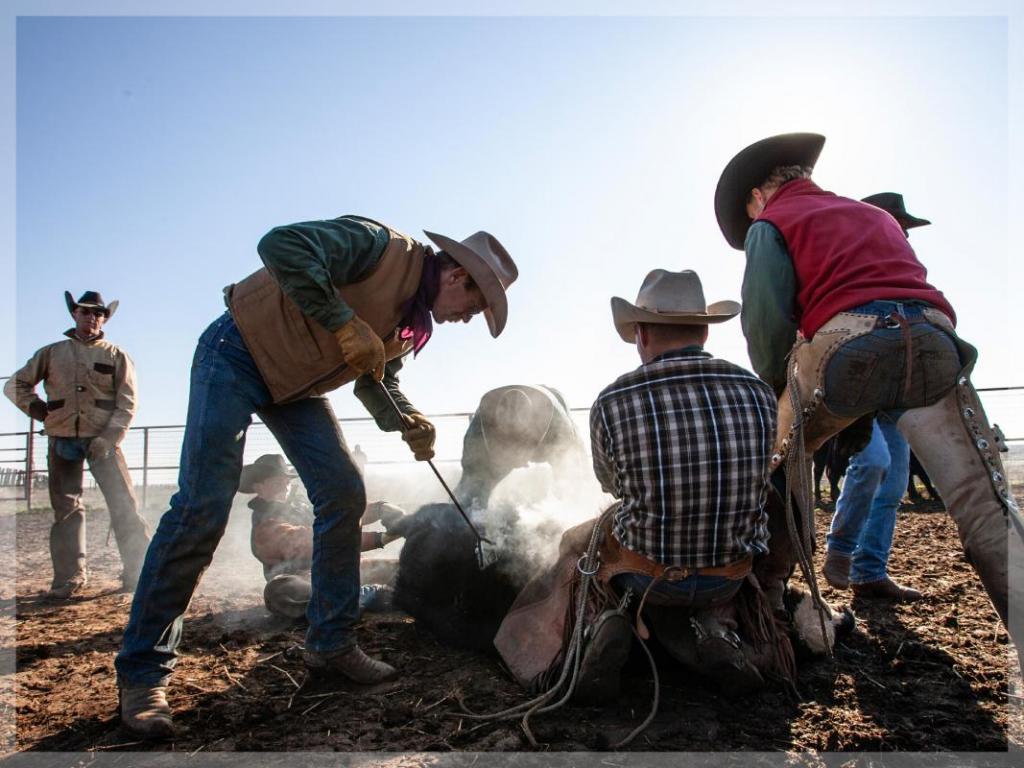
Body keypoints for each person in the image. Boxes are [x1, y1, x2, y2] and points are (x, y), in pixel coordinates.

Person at [115, 214, 517, 738]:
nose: (468, 319)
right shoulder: (379, 246)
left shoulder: (410, 323)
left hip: (295, 387)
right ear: (459, 276)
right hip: (235, 352)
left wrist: (406, 419)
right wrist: (343, 322)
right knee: (201, 506)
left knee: (343, 492)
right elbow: (279, 245)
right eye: (477, 306)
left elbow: (377, 382)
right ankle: (143, 671)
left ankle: (331, 641)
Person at [714, 133, 1020, 657]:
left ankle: (770, 590)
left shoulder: (770, 224)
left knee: (782, 459)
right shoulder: (872, 215)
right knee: (983, 500)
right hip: (931, 337)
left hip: (845, 342)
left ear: (757, 197)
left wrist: (775, 390)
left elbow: (766, 323)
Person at [4, 291, 150, 598]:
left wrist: (109, 437)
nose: (91, 318)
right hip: (62, 440)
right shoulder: (51, 353)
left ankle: (139, 572)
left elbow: (127, 402)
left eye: (98, 314)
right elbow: (14, 385)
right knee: (66, 509)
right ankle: (69, 578)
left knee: (124, 505)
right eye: (86, 312)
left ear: (104, 319)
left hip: (104, 442)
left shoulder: (116, 354)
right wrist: (40, 411)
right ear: (74, 315)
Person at [823, 193, 932, 602]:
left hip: (896, 391)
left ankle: (869, 572)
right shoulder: (856, 268)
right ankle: (841, 547)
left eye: (902, 227)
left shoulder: (905, 270)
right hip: (859, 387)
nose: (901, 232)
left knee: (894, 483)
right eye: (896, 223)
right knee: (873, 462)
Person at [239, 453, 404, 619]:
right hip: (306, 580)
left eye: (286, 480)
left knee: (406, 566)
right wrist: (379, 538)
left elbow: (339, 513)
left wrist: (381, 509)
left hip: (344, 568)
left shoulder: (302, 505)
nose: (285, 486)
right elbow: (309, 540)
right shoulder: (264, 523)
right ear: (259, 488)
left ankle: (357, 598)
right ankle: (367, 595)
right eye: (277, 482)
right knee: (278, 590)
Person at [454, 384, 586, 509]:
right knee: (472, 491)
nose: (513, 453)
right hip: (488, 433)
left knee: (571, 481)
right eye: (508, 444)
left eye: (517, 444)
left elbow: (573, 477)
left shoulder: (559, 429)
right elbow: (470, 483)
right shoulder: (480, 430)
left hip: (554, 407)